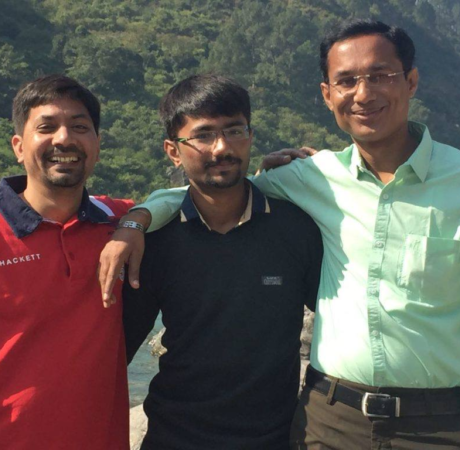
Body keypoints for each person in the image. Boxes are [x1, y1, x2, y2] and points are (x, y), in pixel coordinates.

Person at [99, 20, 460, 450]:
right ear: (327, 94)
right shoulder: (311, 179)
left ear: (410, 82)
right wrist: (136, 220)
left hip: (439, 423)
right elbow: (211, 191)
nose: (363, 93)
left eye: (380, 76)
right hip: (327, 424)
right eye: (347, 81)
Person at [0, 74, 133, 450]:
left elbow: (186, 195)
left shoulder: (116, 220)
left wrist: (135, 224)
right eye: (46, 127)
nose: (64, 139)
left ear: (97, 145)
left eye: (80, 127)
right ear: (18, 146)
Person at [122, 74, 323, 449]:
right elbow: (119, 349)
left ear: (250, 136)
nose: (222, 148)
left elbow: (337, 326)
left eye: (234, 131)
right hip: (175, 438)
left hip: (273, 440)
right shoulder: (157, 241)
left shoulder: (295, 229)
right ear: (173, 150)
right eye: (203, 135)